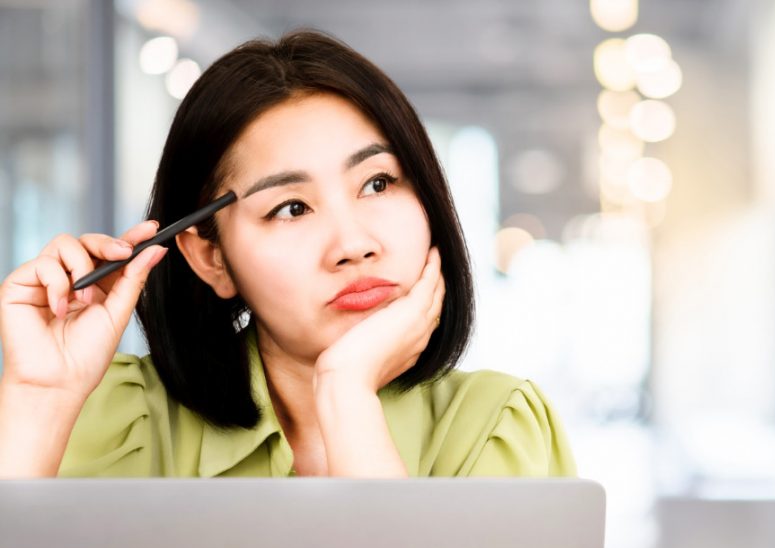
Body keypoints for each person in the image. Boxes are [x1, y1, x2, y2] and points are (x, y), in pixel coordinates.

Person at [0, 30, 575, 478]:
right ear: (211, 258)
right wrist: (39, 398)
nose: (353, 245)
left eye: (378, 183)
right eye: (291, 208)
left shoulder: (496, 428)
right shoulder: (113, 419)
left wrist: (346, 394)